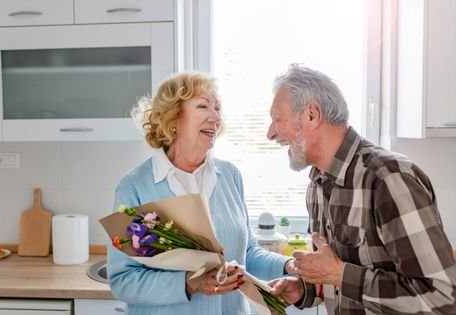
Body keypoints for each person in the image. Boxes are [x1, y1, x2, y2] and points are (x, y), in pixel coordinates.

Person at [265, 64, 456, 314]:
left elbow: (442, 299)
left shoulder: (389, 179)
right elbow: (339, 280)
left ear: (311, 114)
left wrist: (339, 274)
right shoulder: (318, 184)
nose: (270, 133)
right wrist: (306, 290)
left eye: (278, 119)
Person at [107, 71, 294, 315]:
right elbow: (124, 279)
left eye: (218, 108)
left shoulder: (230, 176)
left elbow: (247, 253)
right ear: (173, 118)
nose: (216, 117)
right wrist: (189, 283)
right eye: (203, 106)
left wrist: (290, 265)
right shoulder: (136, 186)